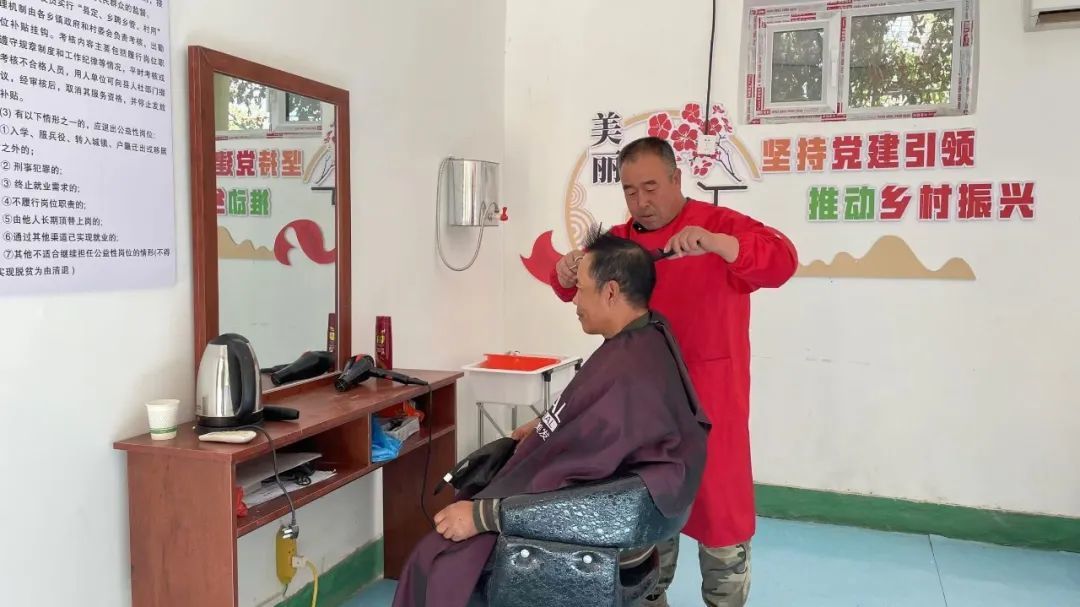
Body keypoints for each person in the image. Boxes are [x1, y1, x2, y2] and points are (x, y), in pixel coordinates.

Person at [393, 229, 711, 607]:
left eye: (581, 289)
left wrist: (485, 515)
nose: (574, 299)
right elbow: (594, 423)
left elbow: (575, 464)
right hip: (631, 516)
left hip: (595, 522)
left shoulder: (626, 372)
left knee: (435, 558)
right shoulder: (651, 333)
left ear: (610, 292)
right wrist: (546, 424)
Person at [544, 136, 798, 607]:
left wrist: (720, 245)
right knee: (646, 529)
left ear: (677, 179)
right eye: (630, 190)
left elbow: (782, 261)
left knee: (721, 526)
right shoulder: (619, 244)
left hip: (711, 406)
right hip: (642, 413)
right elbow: (579, 289)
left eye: (651, 187)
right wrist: (564, 272)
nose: (641, 201)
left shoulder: (720, 225)